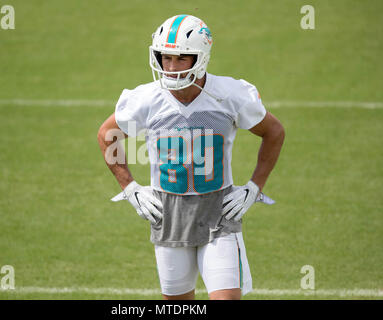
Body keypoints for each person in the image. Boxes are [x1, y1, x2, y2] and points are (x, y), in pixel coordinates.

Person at [97, 14, 285, 300]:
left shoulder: (229, 95)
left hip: (219, 213)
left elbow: (274, 132)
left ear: (201, 58)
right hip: (168, 214)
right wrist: (130, 188)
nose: (170, 68)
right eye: (165, 58)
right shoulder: (147, 99)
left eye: (181, 59)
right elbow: (107, 134)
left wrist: (255, 187)